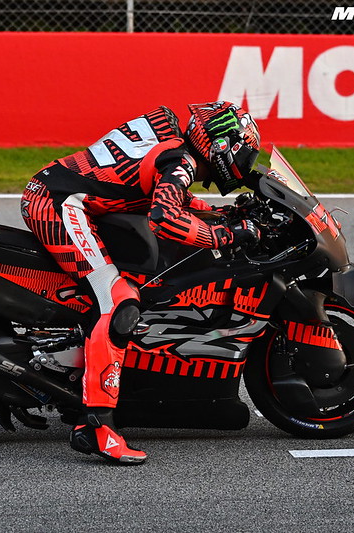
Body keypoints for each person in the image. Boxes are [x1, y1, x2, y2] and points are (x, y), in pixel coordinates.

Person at [20, 101, 262, 465]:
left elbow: (167, 191)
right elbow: (165, 217)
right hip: (59, 205)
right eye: (245, 152)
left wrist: (221, 214)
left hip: (57, 193)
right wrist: (225, 235)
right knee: (117, 302)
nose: (246, 161)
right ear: (221, 146)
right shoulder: (180, 161)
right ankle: (96, 427)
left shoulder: (174, 144)